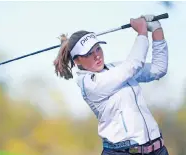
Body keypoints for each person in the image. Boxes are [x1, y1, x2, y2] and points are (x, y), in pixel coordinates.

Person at [53, 14, 169, 155]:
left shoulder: (117, 68)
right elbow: (133, 65)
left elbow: (158, 69)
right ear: (77, 61)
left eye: (98, 49)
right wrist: (142, 32)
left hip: (158, 149)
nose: (97, 55)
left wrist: (157, 29)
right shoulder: (89, 83)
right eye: (89, 54)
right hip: (121, 151)